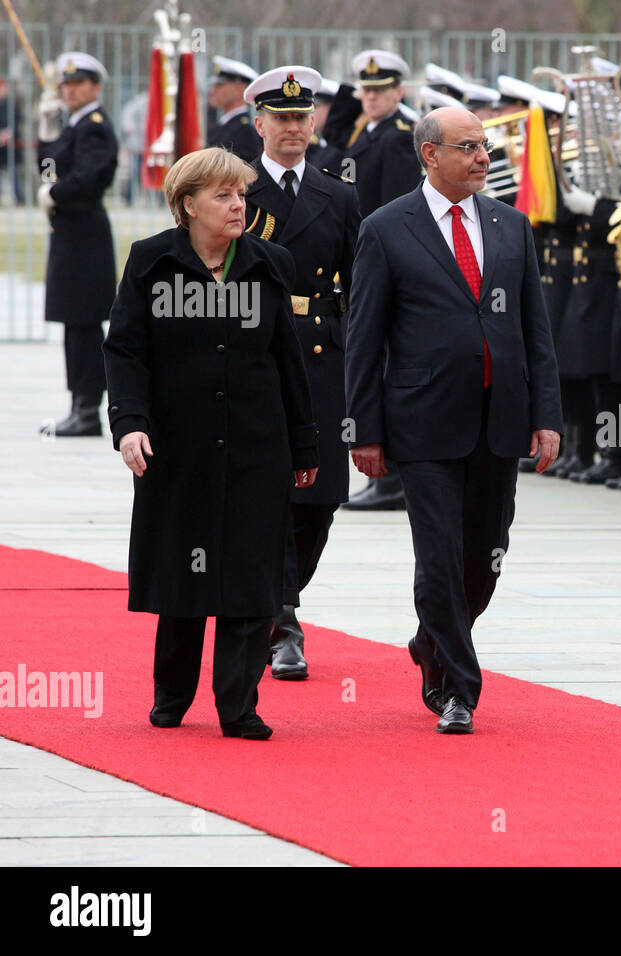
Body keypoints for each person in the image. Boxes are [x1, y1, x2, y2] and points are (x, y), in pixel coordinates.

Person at [344, 106, 563, 734]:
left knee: (484, 559)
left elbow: (535, 332)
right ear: (430, 155)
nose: (482, 158)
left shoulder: (511, 225)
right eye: (467, 147)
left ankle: (430, 643)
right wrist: (364, 427)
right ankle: (459, 688)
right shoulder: (388, 229)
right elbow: (365, 336)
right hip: (422, 423)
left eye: (485, 146)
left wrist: (546, 415)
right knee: (438, 556)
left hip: (500, 421)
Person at [103, 147, 319, 738]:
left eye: (242, 195)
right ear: (187, 203)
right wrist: (130, 424)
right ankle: (172, 693)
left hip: (256, 445)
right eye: (223, 196)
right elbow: (124, 349)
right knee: (183, 571)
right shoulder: (151, 262)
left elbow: (287, 358)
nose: (237, 205)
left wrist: (305, 444)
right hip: (177, 447)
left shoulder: (271, 262)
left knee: (252, 578)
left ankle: (238, 706)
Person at [243, 66, 361, 679]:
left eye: (301, 117)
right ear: (258, 123)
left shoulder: (337, 194)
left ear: (313, 122)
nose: (292, 128)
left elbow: (359, 284)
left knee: (319, 499)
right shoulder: (234, 189)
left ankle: (275, 603)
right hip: (259, 356)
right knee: (274, 494)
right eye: (280, 118)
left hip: (321, 358)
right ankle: (283, 621)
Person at [338, 49, 423, 512]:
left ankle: (392, 481)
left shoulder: (397, 139)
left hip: (382, 260)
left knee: (385, 366)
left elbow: (395, 210)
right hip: (363, 258)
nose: (370, 98)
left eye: (380, 90)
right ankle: (385, 478)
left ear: (399, 92)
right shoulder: (367, 132)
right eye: (365, 91)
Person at [37, 52, 118, 437]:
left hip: (85, 232)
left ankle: (88, 409)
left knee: (84, 323)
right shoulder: (73, 125)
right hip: (69, 233)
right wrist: (48, 134)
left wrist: (56, 193)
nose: (71, 90)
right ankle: (78, 405)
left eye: (79, 83)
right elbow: (47, 170)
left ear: (95, 87)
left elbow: (90, 177)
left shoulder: (95, 127)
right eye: (66, 84)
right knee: (74, 322)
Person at [207, 56, 261, 163]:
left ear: (239, 89)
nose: (212, 91)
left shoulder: (244, 131)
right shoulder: (227, 124)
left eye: (219, 85)